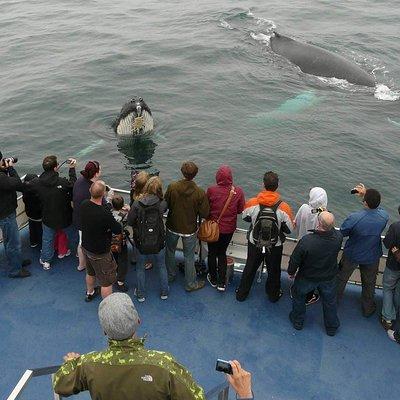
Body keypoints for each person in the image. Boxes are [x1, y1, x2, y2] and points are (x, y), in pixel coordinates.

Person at [53, 293, 254, 400]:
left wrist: (74, 363)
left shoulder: (89, 364)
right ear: (138, 321)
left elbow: (60, 385)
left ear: (104, 331)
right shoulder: (162, 364)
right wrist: (245, 395)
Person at [236, 171, 294, 303]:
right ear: (277, 186)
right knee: (274, 271)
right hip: (275, 245)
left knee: (250, 267)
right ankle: (273, 295)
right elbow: (289, 229)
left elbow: (245, 216)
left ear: (263, 185)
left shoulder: (252, 202)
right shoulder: (284, 207)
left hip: (254, 242)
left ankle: (241, 294)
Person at [337, 184, 389, 317]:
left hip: (352, 254)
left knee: (341, 279)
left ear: (365, 202)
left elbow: (343, 231)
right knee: (369, 283)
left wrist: (365, 196)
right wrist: (367, 195)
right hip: (372, 255)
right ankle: (367, 308)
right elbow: (379, 209)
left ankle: (334, 301)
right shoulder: (383, 216)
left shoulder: (355, 218)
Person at [288, 211, 343, 336]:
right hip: (329, 276)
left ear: (318, 223)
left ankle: (298, 321)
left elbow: (295, 259)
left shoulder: (307, 240)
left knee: (299, 297)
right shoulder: (338, 237)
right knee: (330, 302)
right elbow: (332, 230)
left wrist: (291, 272)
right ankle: (331, 327)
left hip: (307, 276)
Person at [165, 161, 210, 292]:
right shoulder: (200, 192)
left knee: (170, 251)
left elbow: (166, 204)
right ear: (195, 175)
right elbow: (205, 213)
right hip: (189, 229)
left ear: (182, 172)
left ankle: (171, 275)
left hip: (172, 225)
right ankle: (190, 284)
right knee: (189, 257)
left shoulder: (172, 187)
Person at [128, 176, 169, 302]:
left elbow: (130, 221)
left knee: (140, 267)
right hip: (158, 240)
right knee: (162, 266)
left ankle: (141, 294)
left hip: (141, 240)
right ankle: (164, 292)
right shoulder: (162, 203)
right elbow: (165, 208)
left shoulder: (137, 203)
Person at [80, 180, 122, 301]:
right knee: (106, 282)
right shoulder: (105, 214)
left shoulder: (84, 205)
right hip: (100, 252)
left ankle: (90, 292)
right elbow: (117, 229)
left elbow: (98, 209)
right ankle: (107, 306)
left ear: (90, 191)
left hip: (86, 247)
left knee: (90, 272)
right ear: (104, 194)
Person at [34, 155, 77, 270]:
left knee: (47, 240)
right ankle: (79, 252)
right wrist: (72, 168)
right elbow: (73, 184)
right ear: (55, 168)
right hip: (65, 216)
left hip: (48, 217)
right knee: (74, 236)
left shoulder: (37, 182)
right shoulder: (62, 182)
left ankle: (46, 260)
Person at [206, 165, 245, 291]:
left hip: (213, 228)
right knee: (222, 253)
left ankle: (213, 278)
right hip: (228, 229)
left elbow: (207, 209)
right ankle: (222, 283)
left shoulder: (211, 190)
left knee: (212, 252)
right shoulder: (238, 192)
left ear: (218, 177)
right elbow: (240, 210)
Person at [294, 187, 329, 305]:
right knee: (310, 273)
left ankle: (296, 290)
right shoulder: (323, 215)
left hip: (301, 243)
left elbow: (295, 223)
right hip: (315, 249)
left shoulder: (303, 208)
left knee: (300, 269)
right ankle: (308, 296)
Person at [0, 152, 31, 278]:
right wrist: (11, 168)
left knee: (9, 240)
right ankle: (15, 270)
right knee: (13, 242)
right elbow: (19, 185)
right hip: (5, 213)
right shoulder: (1, 178)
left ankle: (16, 261)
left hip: (4, 212)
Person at [72, 160, 102, 271]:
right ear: (96, 173)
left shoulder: (79, 181)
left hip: (78, 217)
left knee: (81, 240)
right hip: (85, 222)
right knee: (82, 243)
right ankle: (81, 265)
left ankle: (80, 258)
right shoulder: (91, 190)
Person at [381, 206, 400, 330]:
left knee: (388, 288)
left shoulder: (395, 227)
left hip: (394, 264)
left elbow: (387, 243)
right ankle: (396, 312)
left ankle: (388, 317)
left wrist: (395, 249)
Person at [109, 193, 130, 292]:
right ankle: (120, 281)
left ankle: (113, 274)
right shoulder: (124, 215)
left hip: (110, 240)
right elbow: (130, 219)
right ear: (122, 205)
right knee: (123, 259)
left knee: (112, 257)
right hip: (121, 241)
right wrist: (128, 209)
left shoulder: (108, 213)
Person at [22, 173, 42, 249]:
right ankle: (42, 245)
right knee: (41, 230)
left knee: (32, 229)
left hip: (30, 215)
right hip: (39, 217)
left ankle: (33, 242)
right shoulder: (38, 193)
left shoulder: (25, 193)